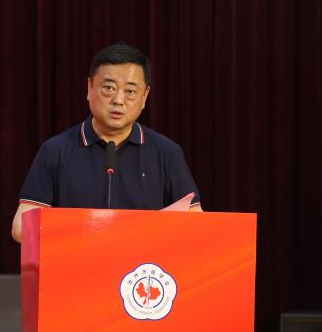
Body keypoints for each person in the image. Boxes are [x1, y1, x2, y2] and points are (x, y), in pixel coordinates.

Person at [11, 43, 202, 242]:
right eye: (109, 88)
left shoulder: (166, 153)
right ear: (90, 88)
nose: (118, 100)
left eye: (130, 91)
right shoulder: (55, 151)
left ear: (145, 96)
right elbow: (21, 228)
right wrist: (85, 232)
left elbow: (196, 223)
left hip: (144, 261)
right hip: (76, 259)